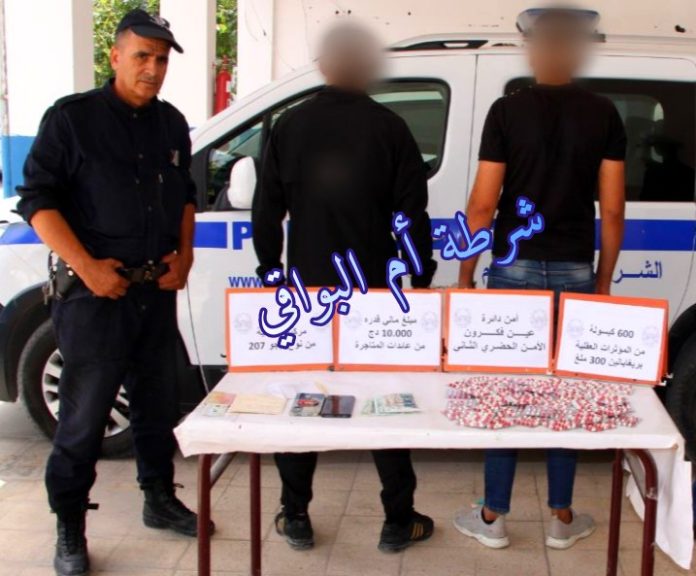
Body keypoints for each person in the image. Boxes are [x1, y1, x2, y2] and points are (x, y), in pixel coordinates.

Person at [16, 10, 211, 576]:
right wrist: (86, 267)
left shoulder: (171, 123)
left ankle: (159, 498)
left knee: (157, 408)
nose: (153, 69)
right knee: (83, 422)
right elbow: (37, 202)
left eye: (162, 60)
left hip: (154, 294)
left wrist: (185, 256)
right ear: (116, 56)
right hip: (94, 297)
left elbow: (186, 197)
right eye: (142, 56)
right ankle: (70, 528)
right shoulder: (72, 119)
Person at [252, 22, 437, 553]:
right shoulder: (390, 128)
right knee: (385, 402)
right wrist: (418, 280)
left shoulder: (290, 125)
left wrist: (270, 272)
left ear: (325, 65)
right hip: (374, 294)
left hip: (307, 294)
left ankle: (296, 516)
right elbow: (412, 217)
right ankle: (398, 520)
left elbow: (266, 211)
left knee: (301, 400)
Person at [454, 8, 626, 550]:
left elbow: (482, 207)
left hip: (513, 267)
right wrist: (602, 284)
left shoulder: (507, 111)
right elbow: (612, 211)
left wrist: (466, 275)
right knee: (566, 392)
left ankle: (492, 517)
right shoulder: (604, 114)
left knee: (506, 391)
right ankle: (561, 517)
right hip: (574, 268)